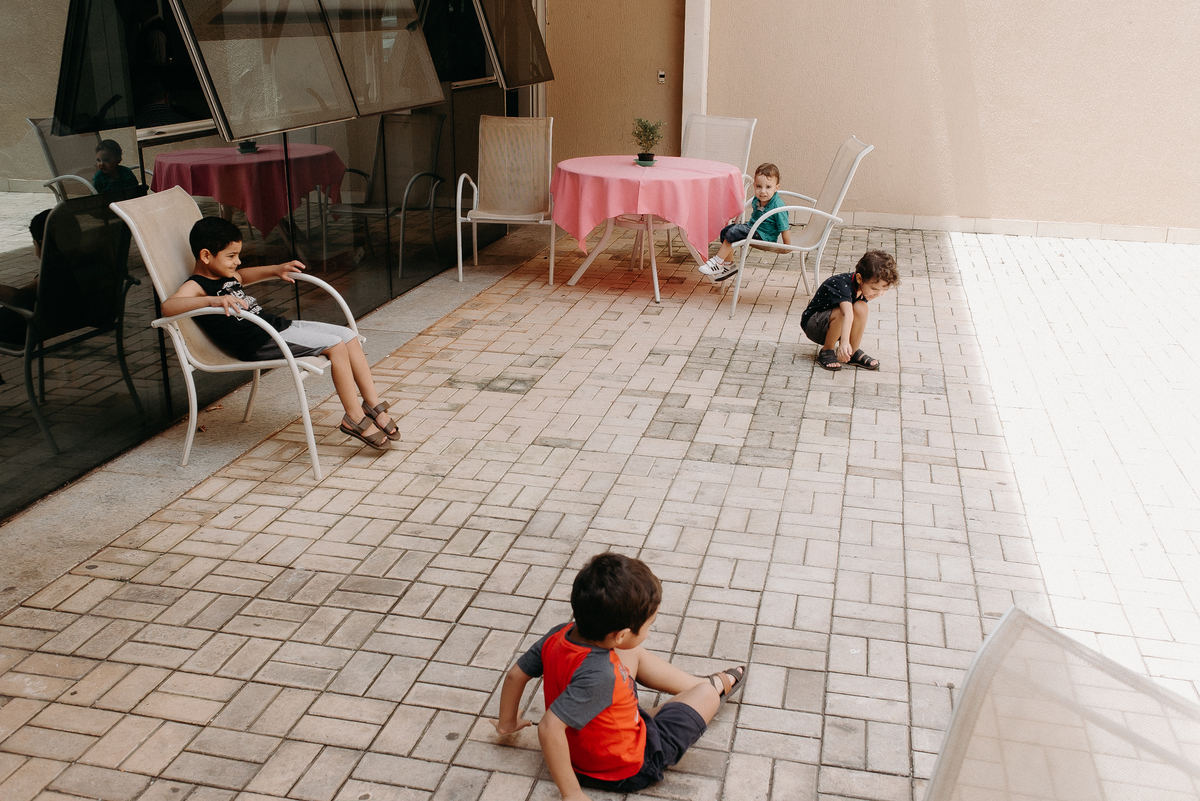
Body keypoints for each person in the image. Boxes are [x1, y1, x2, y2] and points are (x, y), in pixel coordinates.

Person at [490, 552, 747, 800]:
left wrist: (507, 723)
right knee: (708, 694)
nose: (649, 629)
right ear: (621, 634)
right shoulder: (601, 674)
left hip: (591, 741)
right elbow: (549, 727)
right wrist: (571, 793)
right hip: (628, 767)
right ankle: (705, 688)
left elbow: (515, 675)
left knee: (629, 653)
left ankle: (693, 690)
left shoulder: (561, 633)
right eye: (649, 624)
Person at [161, 217, 402, 450]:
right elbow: (168, 306)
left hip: (275, 326)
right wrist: (211, 301)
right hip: (258, 341)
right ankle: (354, 418)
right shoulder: (197, 285)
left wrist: (276, 270)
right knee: (336, 345)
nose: (238, 262)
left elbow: (244, 275)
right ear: (206, 256)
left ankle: (373, 405)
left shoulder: (228, 275)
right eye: (231, 256)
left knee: (348, 336)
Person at [801, 249, 900, 372]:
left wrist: (847, 343)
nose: (879, 294)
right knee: (843, 311)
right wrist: (844, 342)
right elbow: (847, 314)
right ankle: (827, 350)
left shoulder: (863, 288)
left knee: (861, 307)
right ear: (859, 278)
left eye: (884, 290)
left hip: (834, 326)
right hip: (814, 326)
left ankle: (852, 352)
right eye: (874, 289)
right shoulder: (842, 284)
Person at [698, 162, 792, 282]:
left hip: (764, 236)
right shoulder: (757, 199)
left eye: (768, 187)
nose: (762, 191)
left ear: (777, 187)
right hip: (753, 229)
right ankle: (729, 265)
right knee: (726, 231)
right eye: (759, 186)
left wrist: (787, 247)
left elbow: (784, 227)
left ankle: (717, 262)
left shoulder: (778, 206)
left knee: (735, 232)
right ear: (754, 185)